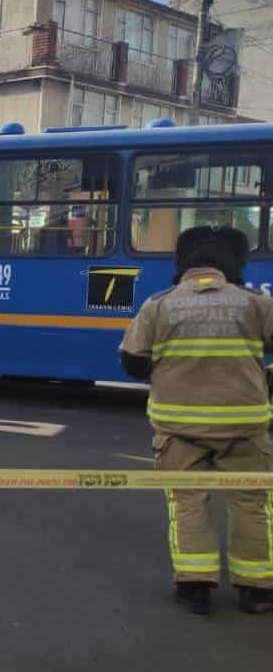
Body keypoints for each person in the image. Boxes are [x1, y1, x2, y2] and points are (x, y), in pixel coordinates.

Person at [120, 226, 273, 616]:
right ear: (234, 264)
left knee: (188, 502)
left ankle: (196, 587)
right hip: (246, 428)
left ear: (184, 265)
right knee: (252, 504)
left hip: (179, 431)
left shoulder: (160, 304)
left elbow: (133, 362)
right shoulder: (257, 303)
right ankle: (256, 590)